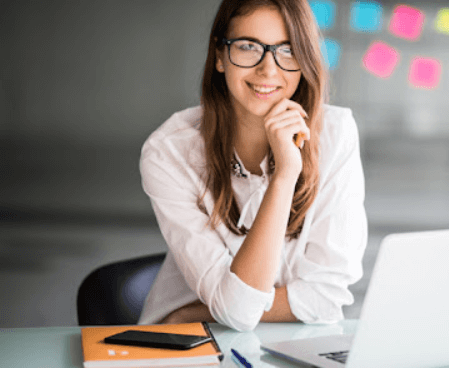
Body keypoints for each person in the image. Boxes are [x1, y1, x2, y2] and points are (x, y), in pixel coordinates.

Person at [138, 0, 367, 332]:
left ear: (305, 61)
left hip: (283, 340)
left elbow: (327, 298)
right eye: (248, 47)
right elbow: (239, 312)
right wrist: (284, 177)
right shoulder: (170, 151)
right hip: (189, 342)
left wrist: (199, 310)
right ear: (219, 56)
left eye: (287, 50)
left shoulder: (336, 132)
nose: (268, 70)